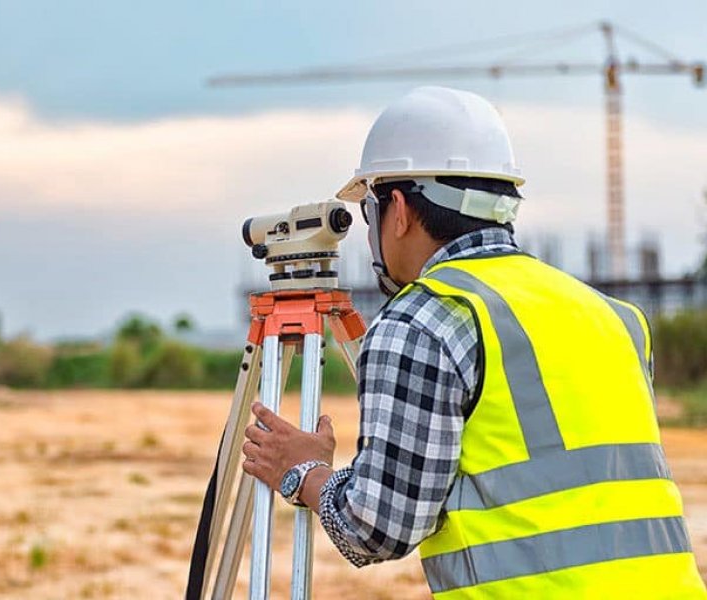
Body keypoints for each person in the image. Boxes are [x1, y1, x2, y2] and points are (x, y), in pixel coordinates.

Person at [241, 86, 706, 597]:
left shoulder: (423, 320)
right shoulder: (613, 315)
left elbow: (375, 530)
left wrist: (301, 471)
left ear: (397, 209)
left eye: (371, 209)